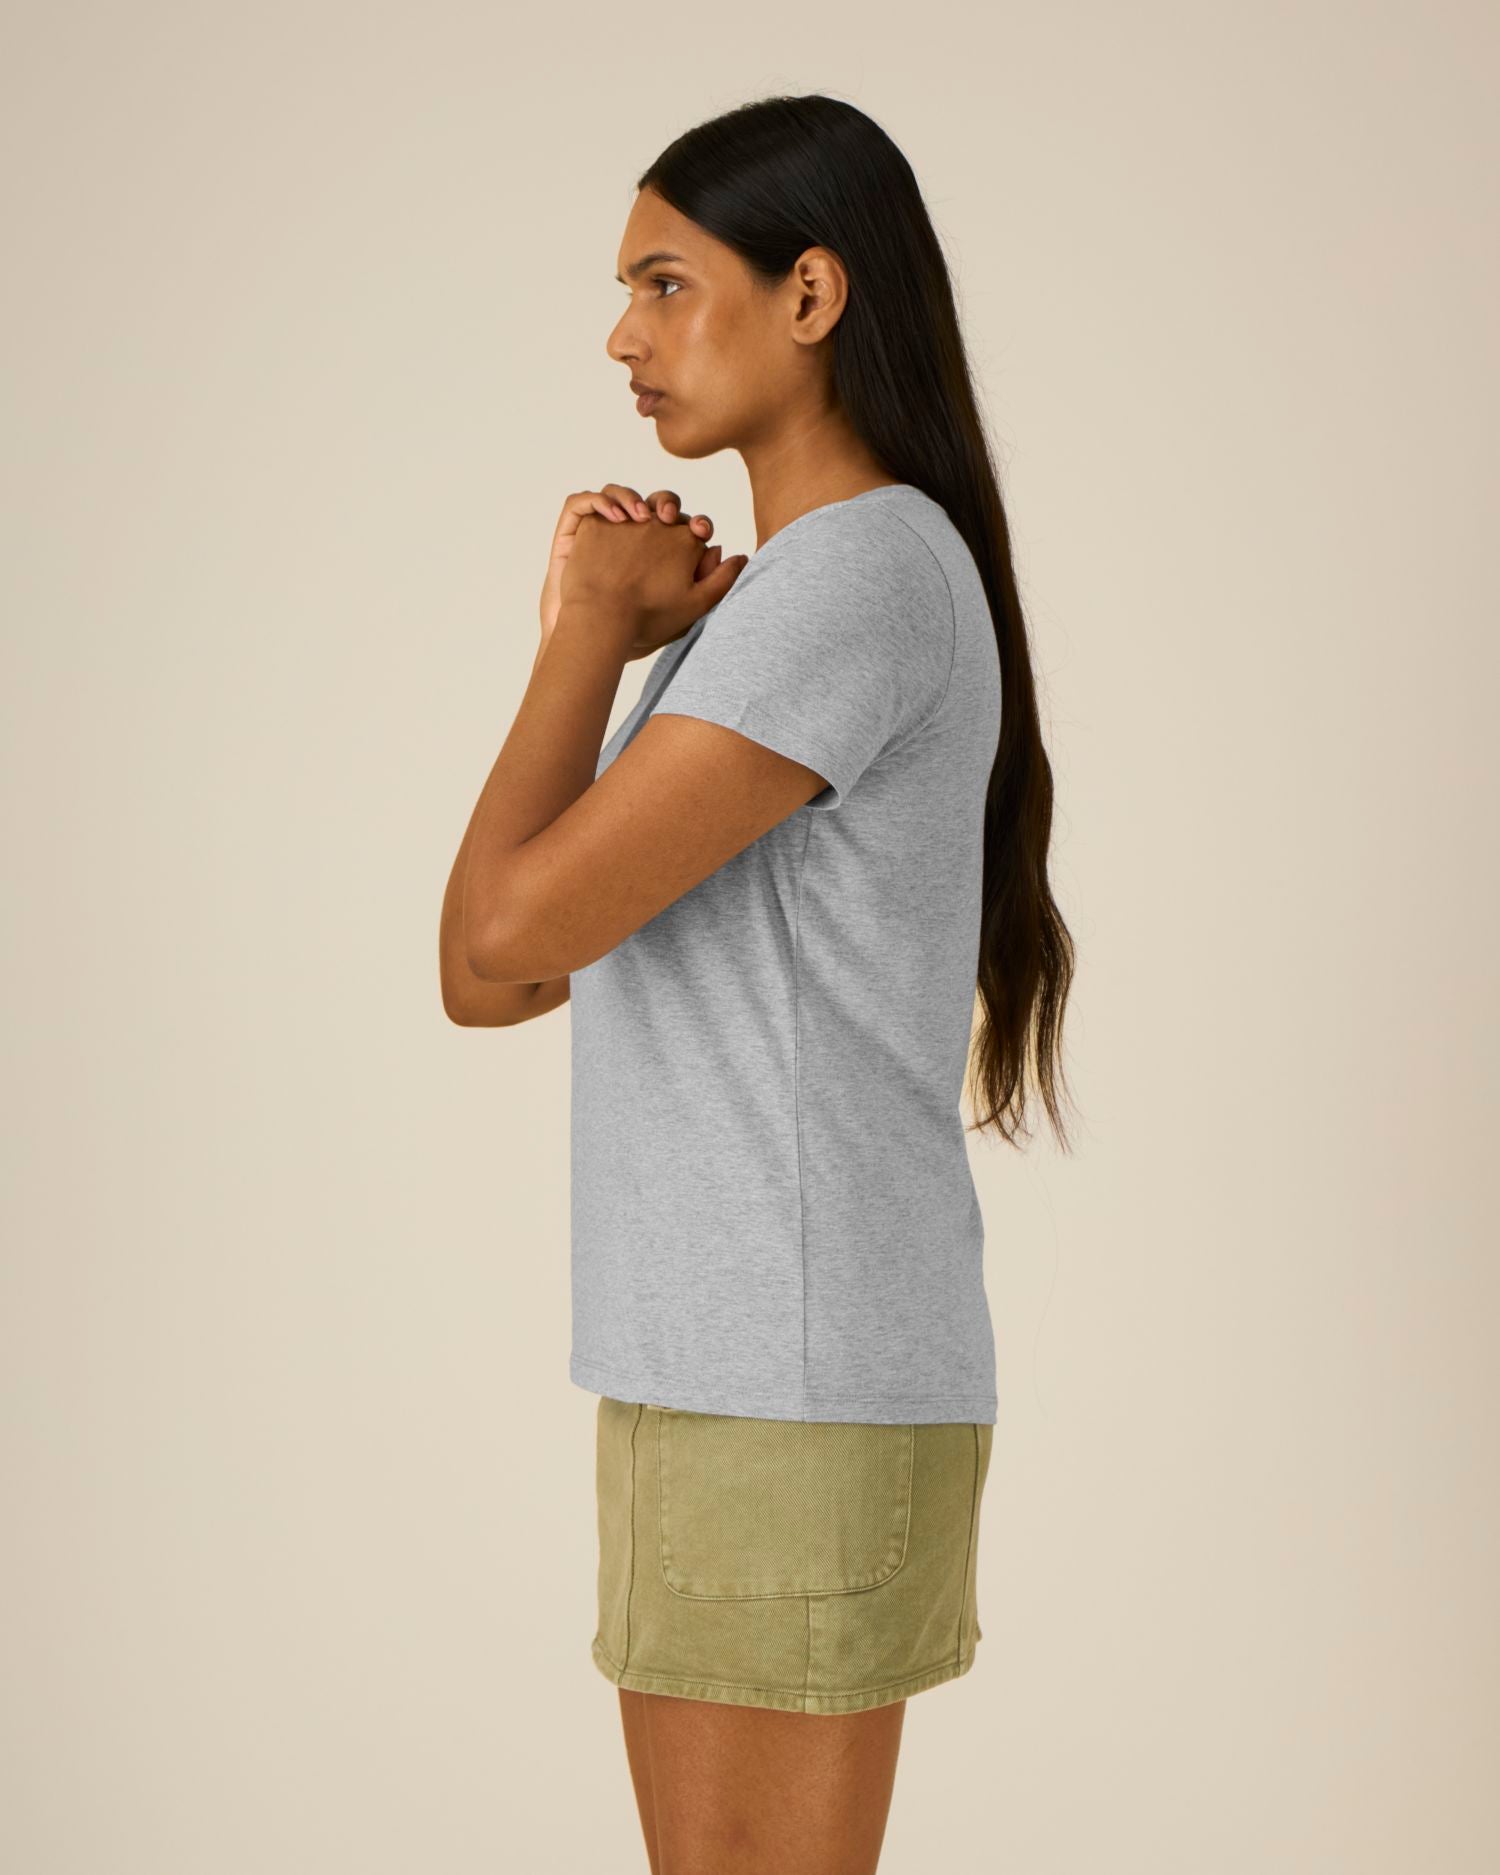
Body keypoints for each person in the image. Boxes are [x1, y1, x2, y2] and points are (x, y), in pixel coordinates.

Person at [440, 93, 1075, 1875]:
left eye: (664, 282)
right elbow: (494, 982)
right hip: (734, 1367)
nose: (622, 337)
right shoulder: (792, 598)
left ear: (810, 294)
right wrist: (615, 643)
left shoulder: (852, 576)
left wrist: (581, 632)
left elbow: (498, 938)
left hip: (779, 1381)